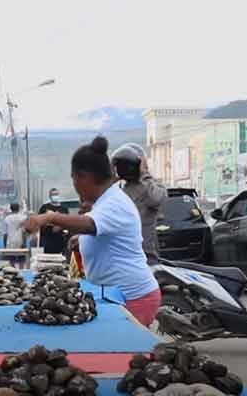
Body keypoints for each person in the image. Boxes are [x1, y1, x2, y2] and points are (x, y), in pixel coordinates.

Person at [23, 137, 161, 325]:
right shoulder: (105, 201)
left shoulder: (114, 202)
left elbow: (89, 224)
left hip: (133, 297)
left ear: (83, 177)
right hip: (113, 294)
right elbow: (104, 233)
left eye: (73, 179)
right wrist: (81, 240)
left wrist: (48, 217)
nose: (75, 186)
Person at [112, 143, 167, 265]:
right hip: (121, 257)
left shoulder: (151, 187)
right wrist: (111, 179)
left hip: (145, 258)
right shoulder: (118, 190)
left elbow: (155, 199)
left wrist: (143, 173)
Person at [37, 188, 70, 254]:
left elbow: (68, 223)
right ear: (50, 196)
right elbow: (39, 221)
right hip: (47, 241)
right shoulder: (44, 207)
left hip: (59, 241)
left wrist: (60, 226)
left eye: (56, 194)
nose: (55, 196)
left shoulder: (64, 209)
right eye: (53, 194)